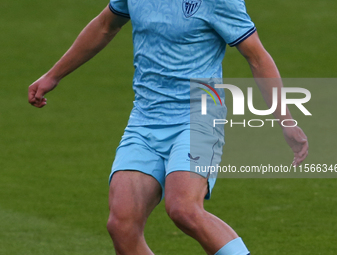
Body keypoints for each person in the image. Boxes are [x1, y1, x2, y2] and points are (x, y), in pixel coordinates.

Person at [28, 0, 309, 254]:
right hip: (145, 118)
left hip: (199, 116)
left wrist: (285, 120)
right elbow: (104, 26)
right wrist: (54, 76)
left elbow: (257, 57)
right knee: (122, 225)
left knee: (183, 208)